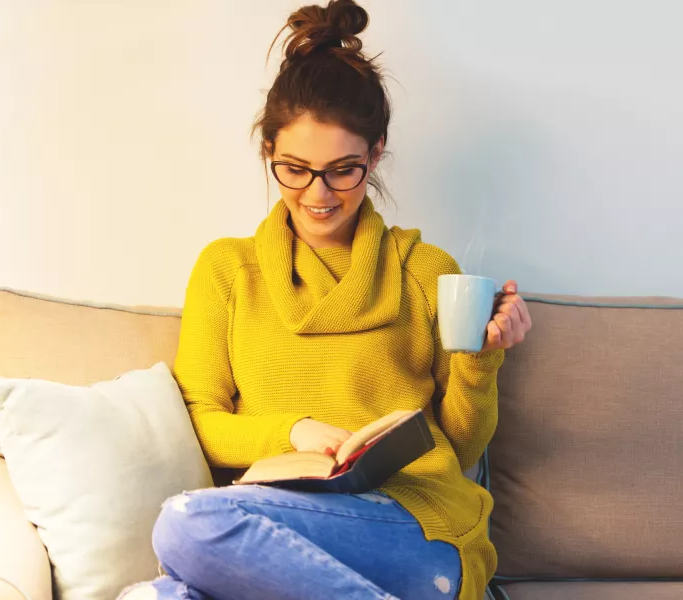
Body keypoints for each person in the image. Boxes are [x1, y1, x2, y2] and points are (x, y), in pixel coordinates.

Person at [120, 1, 531, 598]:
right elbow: (202, 425)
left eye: (344, 169)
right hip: (280, 524)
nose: (319, 194)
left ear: (377, 152)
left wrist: (483, 356)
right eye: (295, 168)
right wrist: (297, 433)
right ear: (268, 151)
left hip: (414, 526)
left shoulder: (426, 271)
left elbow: (462, 446)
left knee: (187, 523)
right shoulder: (227, 270)